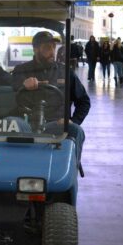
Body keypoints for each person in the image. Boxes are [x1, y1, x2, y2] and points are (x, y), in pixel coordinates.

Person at [12, 31, 90, 164]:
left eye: (54, 47)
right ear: (36, 49)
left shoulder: (65, 72)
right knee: (10, 122)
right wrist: (22, 84)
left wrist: (72, 120)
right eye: (47, 48)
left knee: (76, 131)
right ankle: (14, 167)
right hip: (27, 123)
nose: (52, 51)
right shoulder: (21, 70)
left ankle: (71, 168)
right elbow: (10, 88)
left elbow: (84, 101)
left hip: (55, 124)